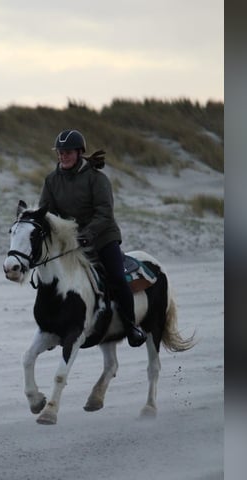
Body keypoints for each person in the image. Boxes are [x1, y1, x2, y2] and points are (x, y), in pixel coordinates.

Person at [39, 129, 147, 347]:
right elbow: (45, 213)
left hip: (103, 237)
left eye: (68, 152)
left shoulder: (97, 179)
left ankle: (131, 326)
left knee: (116, 277)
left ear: (79, 153)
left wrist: (86, 235)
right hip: (70, 243)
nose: (63, 156)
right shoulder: (51, 180)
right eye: (60, 153)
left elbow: (105, 212)